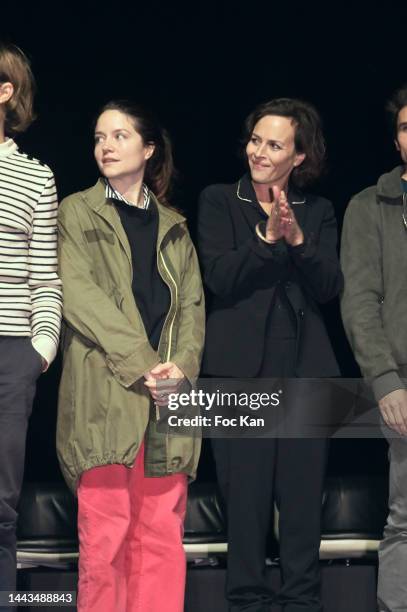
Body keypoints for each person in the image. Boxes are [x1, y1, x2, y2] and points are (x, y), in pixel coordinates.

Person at [56, 100, 205, 612]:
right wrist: (144, 363)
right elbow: (80, 297)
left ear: (148, 149)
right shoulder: (75, 212)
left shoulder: (176, 227)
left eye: (119, 136)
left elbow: (191, 308)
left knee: (162, 539)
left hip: (169, 399)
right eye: (99, 137)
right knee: (107, 540)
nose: (106, 146)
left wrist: (180, 368)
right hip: (106, 393)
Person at [198, 98, 343, 612]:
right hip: (236, 373)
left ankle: (303, 603)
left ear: (299, 157)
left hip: (306, 372)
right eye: (255, 140)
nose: (259, 151)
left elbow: (329, 287)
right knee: (246, 507)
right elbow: (219, 277)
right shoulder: (220, 200)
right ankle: (247, 602)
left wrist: (298, 240)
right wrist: (265, 237)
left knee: (303, 511)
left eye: (274, 144)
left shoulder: (320, 211)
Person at [0, 43, 62, 609]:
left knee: (1, 504)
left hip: (10, 353)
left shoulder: (34, 177)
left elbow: (46, 277)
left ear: (5, 92)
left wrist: (37, 350)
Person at [341, 85, 407, 612]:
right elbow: (361, 302)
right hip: (404, 382)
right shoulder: (370, 205)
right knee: (406, 520)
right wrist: (385, 382)